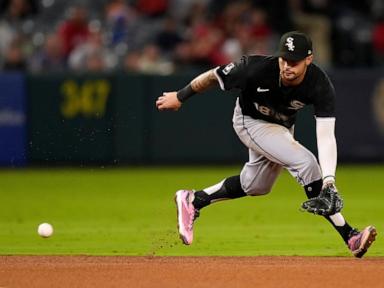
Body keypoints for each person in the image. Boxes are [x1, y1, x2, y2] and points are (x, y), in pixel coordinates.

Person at [155, 31, 377, 258]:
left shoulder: (319, 84)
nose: (287, 65)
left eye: (294, 61)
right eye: (284, 59)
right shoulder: (255, 68)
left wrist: (330, 180)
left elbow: (327, 136)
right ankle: (350, 236)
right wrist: (180, 96)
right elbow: (213, 76)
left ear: (308, 60)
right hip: (250, 121)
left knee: (257, 186)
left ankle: (193, 200)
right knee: (306, 163)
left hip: (280, 127)